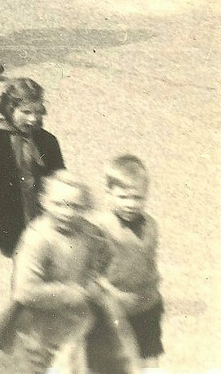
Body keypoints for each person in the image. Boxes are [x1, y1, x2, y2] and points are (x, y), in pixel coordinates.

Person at [0, 172, 139, 374]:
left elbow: (105, 253)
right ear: (44, 201)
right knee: (41, 367)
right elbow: (24, 290)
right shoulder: (37, 239)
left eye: (75, 206)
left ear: (84, 207)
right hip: (39, 329)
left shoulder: (87, 231)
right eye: (59, 204)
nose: (67, 213)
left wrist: (94, 278)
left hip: (75, 326)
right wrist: (74, 292)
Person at [0, 77, 65, 256]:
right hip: (8, 221)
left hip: (44, 220)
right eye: (26, 112)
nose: (33, 119)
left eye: (38, 112)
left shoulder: (48, 142)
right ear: (9, 109)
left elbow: (59, 178)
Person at [93, 155, 164, 369]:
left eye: (138, 198)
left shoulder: (151, 224)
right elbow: (90, 271)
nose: (131, 204)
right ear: (108, 195)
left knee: (150, 356)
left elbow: (148, 260)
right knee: (113, 359)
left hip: (147, 303)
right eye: (124, 197)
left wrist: (153, 285)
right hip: (113, 306)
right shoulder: (100, 228)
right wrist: (111, 294)